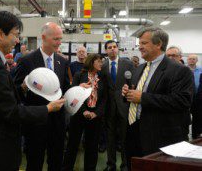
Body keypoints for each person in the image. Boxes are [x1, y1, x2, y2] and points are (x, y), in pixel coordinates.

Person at [0, 11, 65, 171]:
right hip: (1, 145)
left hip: (5, 141)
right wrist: (47, 108)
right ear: (1, 34)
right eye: (15, 35)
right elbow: (11, 111)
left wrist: (22, 88)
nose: (17, 40)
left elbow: (4, 96)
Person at [122, 27, 194, 170]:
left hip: (159, 137)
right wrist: (127, 94)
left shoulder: (179, 70)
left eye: (144, 43)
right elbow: (136, 95)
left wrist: (142, 97)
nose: (139, 47)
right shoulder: (140, 68)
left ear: (158, 44)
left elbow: (181, 101)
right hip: (134, 132)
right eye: (139, 43)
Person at [14, 22, 70, 171]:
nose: (59, 43)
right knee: (34, 162)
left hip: (57, 123)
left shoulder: (62, 62)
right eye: (56, 39)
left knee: (56, 162)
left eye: (60, 39)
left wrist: (78, 90)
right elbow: (16, 90)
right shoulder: (27, 61)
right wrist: (24, 87)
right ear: (44, 38)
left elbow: (65, 89)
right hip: (36, 123)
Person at [62, 54, 108, 171]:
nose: (101, 64)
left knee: (92, 147)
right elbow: (73, 95)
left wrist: (96, 113)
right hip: (79, 114)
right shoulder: (79, 75)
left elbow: (104, 98)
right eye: (99, 61)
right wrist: (83, 111)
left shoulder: (103, 77)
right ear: (92, 62)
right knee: (72, 145)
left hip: (95, 117)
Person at [103, 40, 134, 171]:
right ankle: (111, 164)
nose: (112, 49)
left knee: (124, 137)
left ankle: (125, 165)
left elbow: (134, 82)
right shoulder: (103, 66)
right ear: (106, 51)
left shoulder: (128, 64)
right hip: (108, 107)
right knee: (109, 137)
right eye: (109, 48)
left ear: (118, 49)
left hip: (124, 105)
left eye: (114, 47)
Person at [187, 54, 202, 138]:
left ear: (196, 60)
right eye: (190, 59)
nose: (191, 60)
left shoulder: (201, 70)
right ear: (187, 60)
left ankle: (195, 136)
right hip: (186, 97)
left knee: (197, 117)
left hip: (197, 98)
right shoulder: (183, 69)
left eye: (193, 59)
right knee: (185, 117)